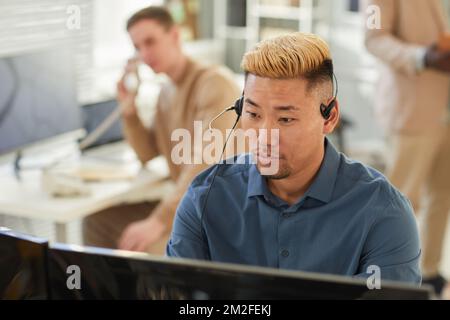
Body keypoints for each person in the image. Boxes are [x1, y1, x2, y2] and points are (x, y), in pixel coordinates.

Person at [167, 32, 421, 285]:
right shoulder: (204, 199)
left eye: (285, 119)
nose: (264, 137)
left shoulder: (383, 213)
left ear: (330, 117)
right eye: (253, 114)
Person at [83, 6, 240, 254]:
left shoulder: (214, 84)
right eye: (137, 47)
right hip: (190, 205)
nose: (144, 54)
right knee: (98, 221)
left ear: (175, 36)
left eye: (150, 42)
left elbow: (206, 165)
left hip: (220, 212)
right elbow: (148, 152)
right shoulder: (165, 92)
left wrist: (159, 221)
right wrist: (129, 110)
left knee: (151, 245)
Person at [364, 0, 450, 294]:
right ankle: (386, 282)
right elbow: (373, 38)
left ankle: (429, 273)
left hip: (447, 110)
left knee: (442, 196)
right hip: (412, 108)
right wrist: (422, 57)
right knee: (400, 201)